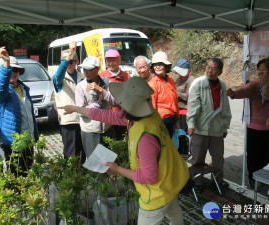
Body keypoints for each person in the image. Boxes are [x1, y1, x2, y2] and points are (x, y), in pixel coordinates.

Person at [59, 76, 189, 225]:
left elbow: (149, 178)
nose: (120, 104)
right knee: (174, 212)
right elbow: (106, 115)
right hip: (172, 179)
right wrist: (76, 108)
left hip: (157, 191)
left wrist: (117, 169)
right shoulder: (148, 115)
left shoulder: (145, 138)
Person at [226, 58, 269, 189]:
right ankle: (253, 178)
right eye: (258, 69)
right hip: (254, 127)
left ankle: (266, 179)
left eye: (263, 69)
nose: (260, 72)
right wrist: (233, 93)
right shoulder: (255, 85)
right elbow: (244, 90)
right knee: (254, 155)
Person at [0, 47, 39, 176]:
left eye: (15, 69)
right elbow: (0, 90)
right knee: (16, 175)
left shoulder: (23, 88)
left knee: (28, 172)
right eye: (10, 70)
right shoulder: (0, 90)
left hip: (27, 140)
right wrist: (6, 64)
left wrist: (35, 135)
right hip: (13, 142)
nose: (13, 73)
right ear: (2, 72)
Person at [187, 58, 231, 188]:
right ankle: (196, 182)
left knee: (218, 159)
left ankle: (217, 181)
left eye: (214, 68)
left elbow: (225, 108)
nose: (209, 71)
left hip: (217, 129)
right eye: (208, 67)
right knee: (197, 159)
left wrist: (225, 127)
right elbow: (193, 105)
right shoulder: (198, 83)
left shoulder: (222, 85)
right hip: (200, 128)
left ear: (220, 71)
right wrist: (191, 124)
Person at [75, 56, 117, 157]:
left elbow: (115, 102)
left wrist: (101, 90)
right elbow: (81, 111)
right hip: (90, 131)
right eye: (84, 69)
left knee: (112, 162)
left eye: (89, 69)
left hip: (107, 128)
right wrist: (99, 102)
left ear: (98, 69)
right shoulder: (80, 86)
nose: (86, 72)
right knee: (95, 164)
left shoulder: (106, 82)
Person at [53, 41, 85, 161]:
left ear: (76, 62)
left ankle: (81, 177)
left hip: (82, 119)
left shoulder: (82, 76)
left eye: (71, 61)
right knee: (71, 154)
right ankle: (71, 177)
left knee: (82, 153)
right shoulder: (59, 78)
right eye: (65, 62)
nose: (68, 64)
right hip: (69, 120)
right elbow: (60, 72)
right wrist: (70, 54)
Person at [100, 49, 130, 140]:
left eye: (113, 60)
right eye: (108, 61)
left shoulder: (126, 76)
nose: (110, 63)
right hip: (107, 119)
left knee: (123, 143)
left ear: (119, 61)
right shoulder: (101, 76)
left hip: (122, 117)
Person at [148, 51, 179, 138]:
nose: (157, 66)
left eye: (160, 64)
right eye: (155, 64)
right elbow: (152, 106)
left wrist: (177, 121)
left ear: (166, 66)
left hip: (172, 119)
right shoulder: (153, 83)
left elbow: (175, 101)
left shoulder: (171, 81)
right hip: (161, 121)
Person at [173, 59, 195, 132]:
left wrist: (177, 93)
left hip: (185, 112)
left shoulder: (191, 80)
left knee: (183, 134)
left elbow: (189, 96)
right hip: (177, 110)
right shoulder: (179, 79)